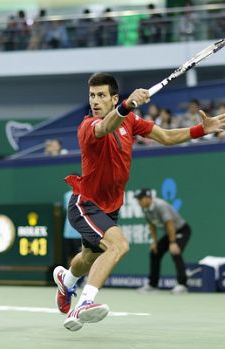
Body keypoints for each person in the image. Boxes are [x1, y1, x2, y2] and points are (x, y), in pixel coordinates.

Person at [52, 72, 225, 332]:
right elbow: (106, 126)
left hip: (111, 206)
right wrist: (127, 105)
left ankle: (66, 279)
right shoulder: (88, 127)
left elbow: (166, 137)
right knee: (119, 245)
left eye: (101, 95)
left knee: (88, 257)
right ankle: (84, 303)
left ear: (113, 98)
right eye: (92, 95)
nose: (95, 101)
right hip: (85, 203)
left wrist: (202, 129)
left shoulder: (130, 121)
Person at [134, 188, 191, 293]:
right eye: (138, 200)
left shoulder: (160, 205)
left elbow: (170, 224)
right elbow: (152, 225)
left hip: (182, 230)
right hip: (170, 232)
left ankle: (183, 285)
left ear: (148, 198)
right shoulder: (144, 208)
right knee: (154, 253)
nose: (138, 202)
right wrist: (154, 242)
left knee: (175, 252)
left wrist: (173, 242)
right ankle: (153, 285)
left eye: (140, 199)